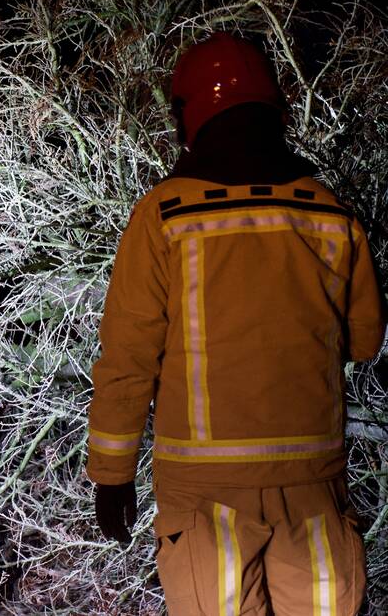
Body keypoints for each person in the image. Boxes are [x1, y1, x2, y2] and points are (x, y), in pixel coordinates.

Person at [87, 32, 386, 615]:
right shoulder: (329, 213)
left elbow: (128, 357)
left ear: (190, 114)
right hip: (314, 490)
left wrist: (112, 474)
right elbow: (365, 339)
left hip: (205, 498)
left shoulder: (165, 215)